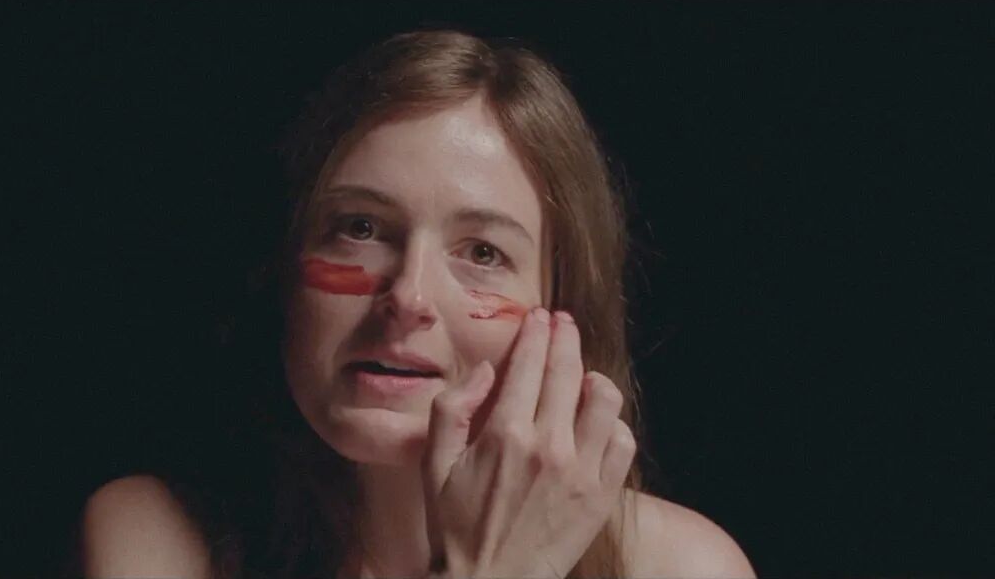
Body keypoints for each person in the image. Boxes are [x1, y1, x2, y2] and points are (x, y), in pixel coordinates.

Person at [78, 29, 757, 579]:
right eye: (361, 228)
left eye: (482, 252)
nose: (408, 297)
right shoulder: (153, 541)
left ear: (563, 312)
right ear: (283, 270)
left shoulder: (684, 567)